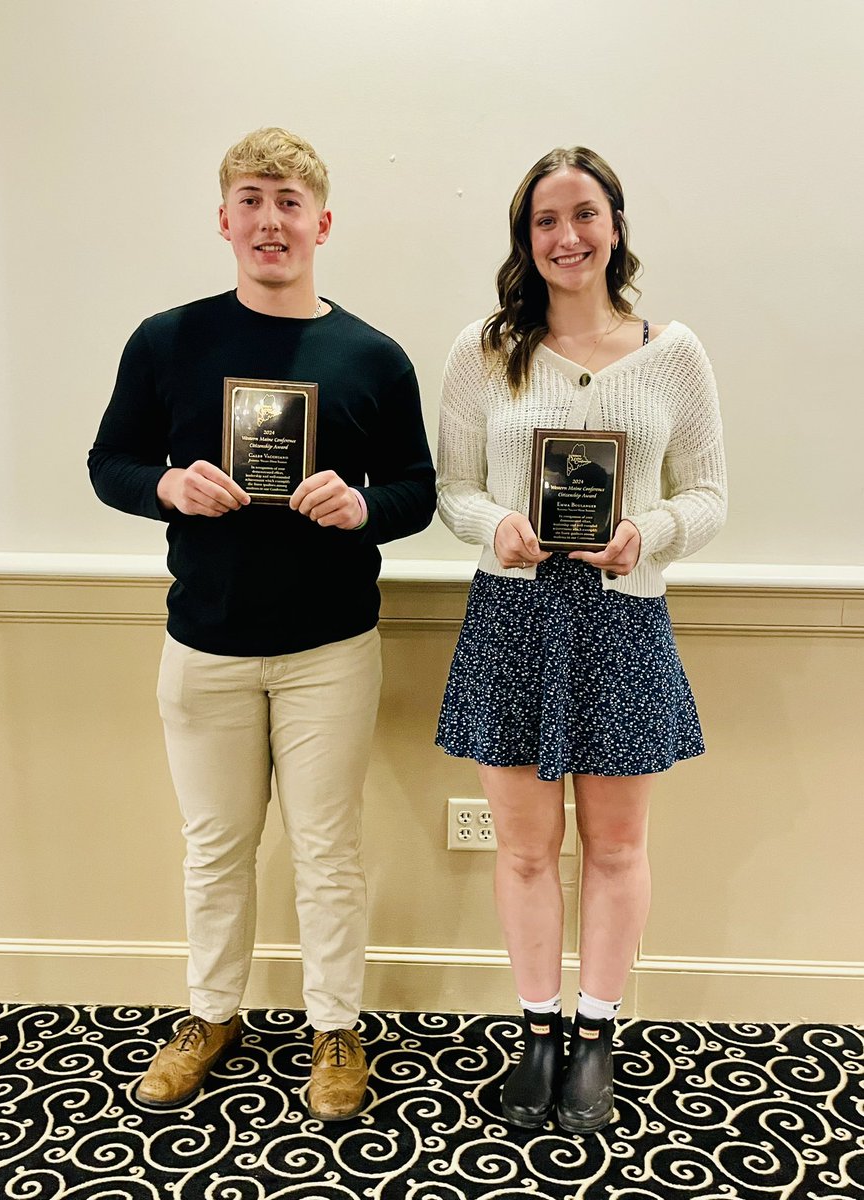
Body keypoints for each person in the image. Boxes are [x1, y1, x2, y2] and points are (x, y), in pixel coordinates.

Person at [88, 126, 435, 1121]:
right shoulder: (166, 341)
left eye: (289, 200)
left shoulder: (373, 355)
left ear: (321, 222)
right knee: (213, 847)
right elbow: (109, 463)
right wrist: (167, 486)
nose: (269, 218)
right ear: (224, 220)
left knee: (329, 850)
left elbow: (417, 488)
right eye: (251, 198)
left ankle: (336, 1027)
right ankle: (210, 1014)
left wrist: (364, 505)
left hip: (332, 648)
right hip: (203, 643)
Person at [435, 146, 726, 1133]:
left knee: (616, 845)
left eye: (584, 214)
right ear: (525, 239)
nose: (567, 237)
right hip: (512, 616)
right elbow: (453, 489)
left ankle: (596, 1032)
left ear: (616, 224)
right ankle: (538, 1031)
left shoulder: (673, 352)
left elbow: (711, 496)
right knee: (524, 852)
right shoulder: (483, 350)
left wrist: (655, 531)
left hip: (624, 617)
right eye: (545, 221)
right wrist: (493, 527)